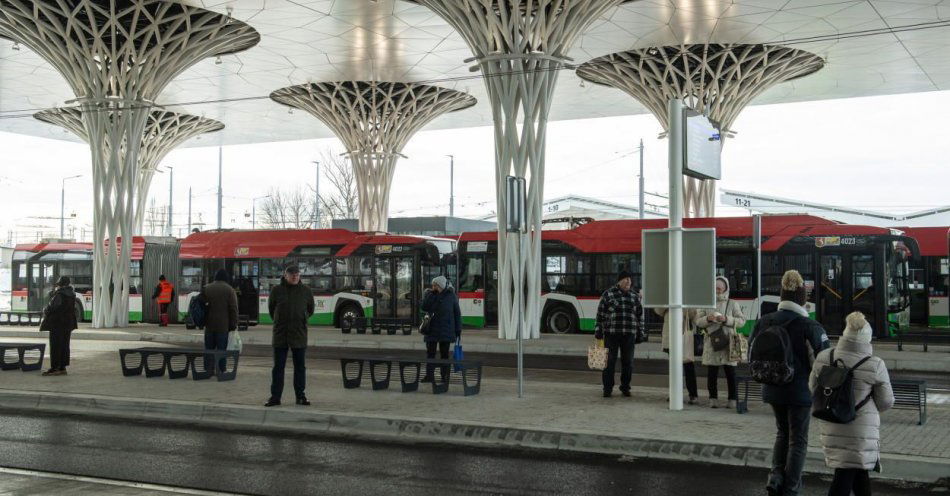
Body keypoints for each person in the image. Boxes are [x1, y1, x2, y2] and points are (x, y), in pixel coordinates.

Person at [751, 269, 829, 496]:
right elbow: (824, 361)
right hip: (801, 392)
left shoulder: (764, 321)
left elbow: (751, 355)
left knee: (782, 432)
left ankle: (775, 477)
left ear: (782, 295)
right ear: (803, 297)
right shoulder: (810, 326)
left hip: (772, 388)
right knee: (798, 440)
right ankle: (791, 487)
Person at [809, 312, 894, 496]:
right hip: (860, 427)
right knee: (845, 474)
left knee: (857, 471)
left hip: (831, 421)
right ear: (867, 339)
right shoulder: (875, 364)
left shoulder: (825, 356)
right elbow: (886, 401)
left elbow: (813, 387)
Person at [265, 265, 314, 407]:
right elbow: (271, 310)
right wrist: (279, 320)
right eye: (292, 274)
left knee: (300, 367)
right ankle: (275, 397)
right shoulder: (276, 290)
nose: (295, 276)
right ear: (285, 275)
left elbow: (310, 310)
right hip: (281, 334)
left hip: (299, 333)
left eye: (297, 274)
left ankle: (300, 396)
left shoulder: (306, 291)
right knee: (278, 367)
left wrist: (302, 318)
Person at [694, 276, 746, 409]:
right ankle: (713, 399)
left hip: (729, 343)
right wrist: (708, 318)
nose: (717, 290)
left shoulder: (732, 303)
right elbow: (698, 321)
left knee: (731, 374)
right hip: (712, 342)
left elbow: (741, 321)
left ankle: (732, 400)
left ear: (725, 288)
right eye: (715, 288)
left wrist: (726, 319)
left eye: (720, 288)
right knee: (712, 373)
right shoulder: (706, 303)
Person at [594, 271, 642, 398]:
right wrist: (598, 330)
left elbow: (639, 316)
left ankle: (625, 387)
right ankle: (607, 388)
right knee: (609, 362)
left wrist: (640, 333)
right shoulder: (608, 294)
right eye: (626, 279)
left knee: (628, 363)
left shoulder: (634, 296)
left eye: (630, 280)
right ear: (619, 281)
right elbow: (600, 314)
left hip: (629, 335)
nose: (628, 282)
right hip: (611, 334)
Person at [420, 275, 461, 383]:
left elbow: (457, 313)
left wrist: (458, 329)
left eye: (435, 285)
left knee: (444, 354)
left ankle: (444, 376)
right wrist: (431, 295)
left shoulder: (451, 296)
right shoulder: (430, 294)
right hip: (431, 329)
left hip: (446, 330)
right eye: (433, 285)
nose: (433, 287)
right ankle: (429, 376)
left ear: (441, 285)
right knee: (430, 354)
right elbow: (424, 307)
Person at [657, 306, 699, 404]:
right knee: (673, 368)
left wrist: (681, 307)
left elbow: (693, 314)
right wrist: (667, 305)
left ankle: (693, 394)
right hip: (670, 335)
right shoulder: (666, 295)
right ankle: (674, 393)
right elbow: (658, 311)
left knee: (688, 366)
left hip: (684, 335)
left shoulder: (687, 296)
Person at [201, 268, 239, 373]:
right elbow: (233, 309)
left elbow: (201, 307)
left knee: (208, 349)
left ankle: (208, 370)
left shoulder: (206, 288)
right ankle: (221, 370)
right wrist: (233, 324)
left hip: (209, 325)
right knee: (222, 350)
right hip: (223, 326)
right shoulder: (230, 290)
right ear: (225, 278)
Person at [41, 276, 78, 376]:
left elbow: (52, 307)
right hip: (68, 324)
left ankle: (54, 368)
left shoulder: (60, 294)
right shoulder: (72, 294)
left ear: (60, 283)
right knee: (65, 345)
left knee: (55, 346)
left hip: (57, 323)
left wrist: (45, 310)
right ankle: (62, 367)